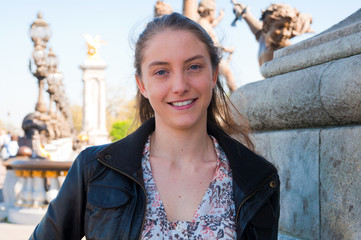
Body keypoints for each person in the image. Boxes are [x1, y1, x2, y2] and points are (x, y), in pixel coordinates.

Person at [30, 12, 279, 239]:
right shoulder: (93, 170)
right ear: (142, 85)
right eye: (161, 71)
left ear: (213, 75)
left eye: (194, 67)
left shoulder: (257, 179)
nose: (180, 86)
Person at [232, 2, 313, 66]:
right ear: (267, 27)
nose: (285, 33)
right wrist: (241, 9)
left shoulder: (287, 49)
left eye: (289, 28)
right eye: (280, 27)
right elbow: (248, 16)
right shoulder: (262, 37)